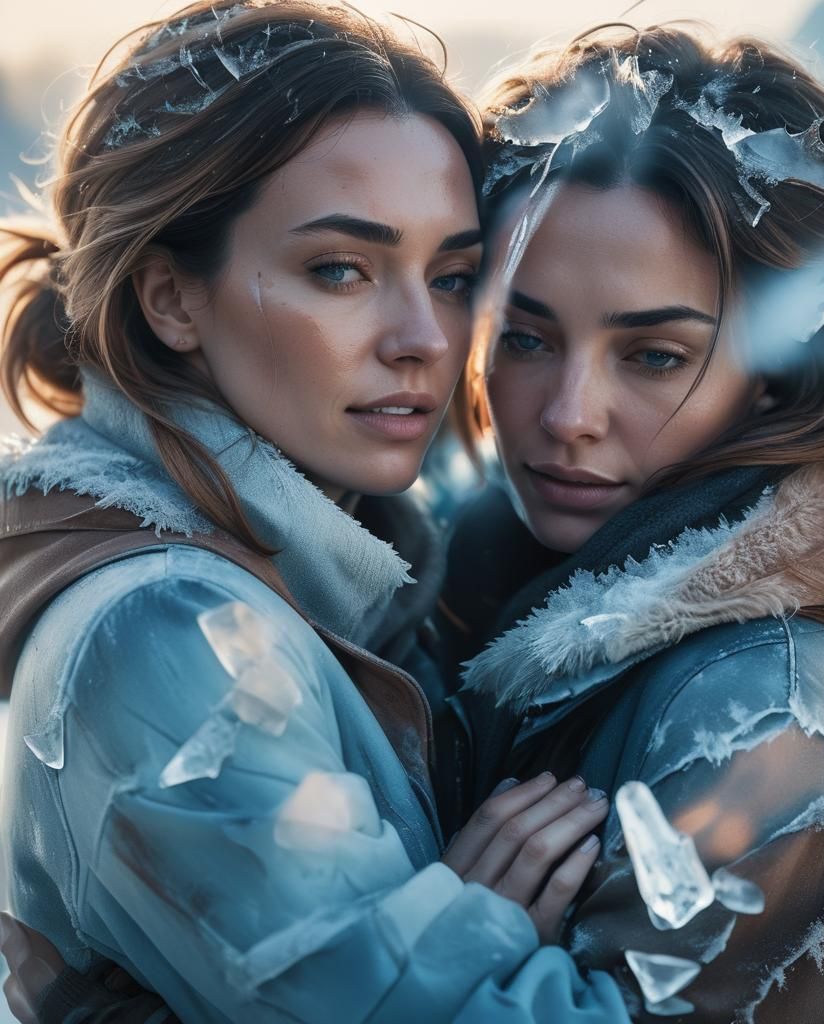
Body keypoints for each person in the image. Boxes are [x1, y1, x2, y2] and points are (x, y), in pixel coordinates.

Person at [0, 3, 632, 1022]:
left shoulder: (338, 564)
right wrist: (468, 922)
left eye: (454, 276)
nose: (424, 337)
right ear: (171, 298)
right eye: (340, 269)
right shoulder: (170, 637)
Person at [430, 23, 824, 1021]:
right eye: (525, 337)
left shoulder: (764, 719)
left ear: (780, 374)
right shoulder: (496, 588)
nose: (567, 412)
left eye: (653, 355)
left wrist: (444, 948)